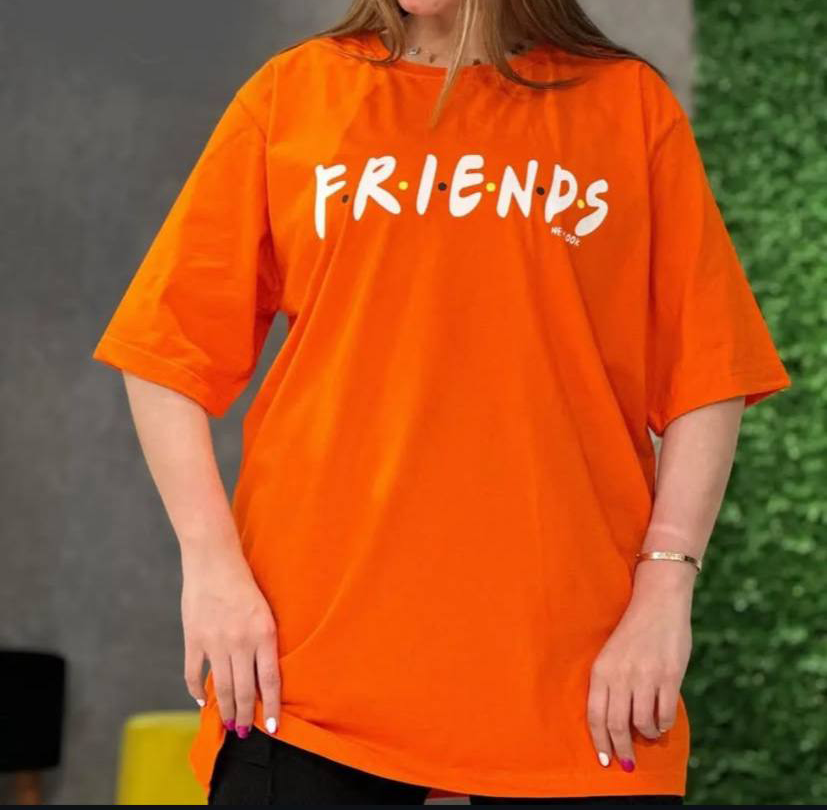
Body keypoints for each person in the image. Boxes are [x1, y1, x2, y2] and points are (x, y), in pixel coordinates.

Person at [91, 0, 792, 804]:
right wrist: (211, 567)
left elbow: (709, 371)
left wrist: (664, 590)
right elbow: (163, 350)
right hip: (307, 667)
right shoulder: (294, 94)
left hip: (577, 671)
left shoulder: (626, 106)